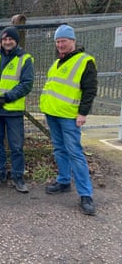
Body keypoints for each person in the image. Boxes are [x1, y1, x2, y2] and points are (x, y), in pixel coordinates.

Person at [40, 25, 98, 215]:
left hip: (70, 116)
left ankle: (86, 195)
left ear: (73, 41)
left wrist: (83, 113)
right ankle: (64, 181)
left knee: (75, 153)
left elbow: (89, 90)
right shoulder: (58, 62)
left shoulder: (85, 61)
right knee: (59, 149)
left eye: (63, 41)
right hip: (53, 113)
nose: (60, 44)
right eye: (57, 41)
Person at [0, 26, 34, 193]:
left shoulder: (25, 59)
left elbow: (26, 84)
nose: (7, 41)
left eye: (10, 39)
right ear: (1, 41)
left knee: (17, 145)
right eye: (4, 39)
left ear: (16, 41)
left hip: (13, 110)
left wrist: (6, 97)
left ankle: (18, 176)